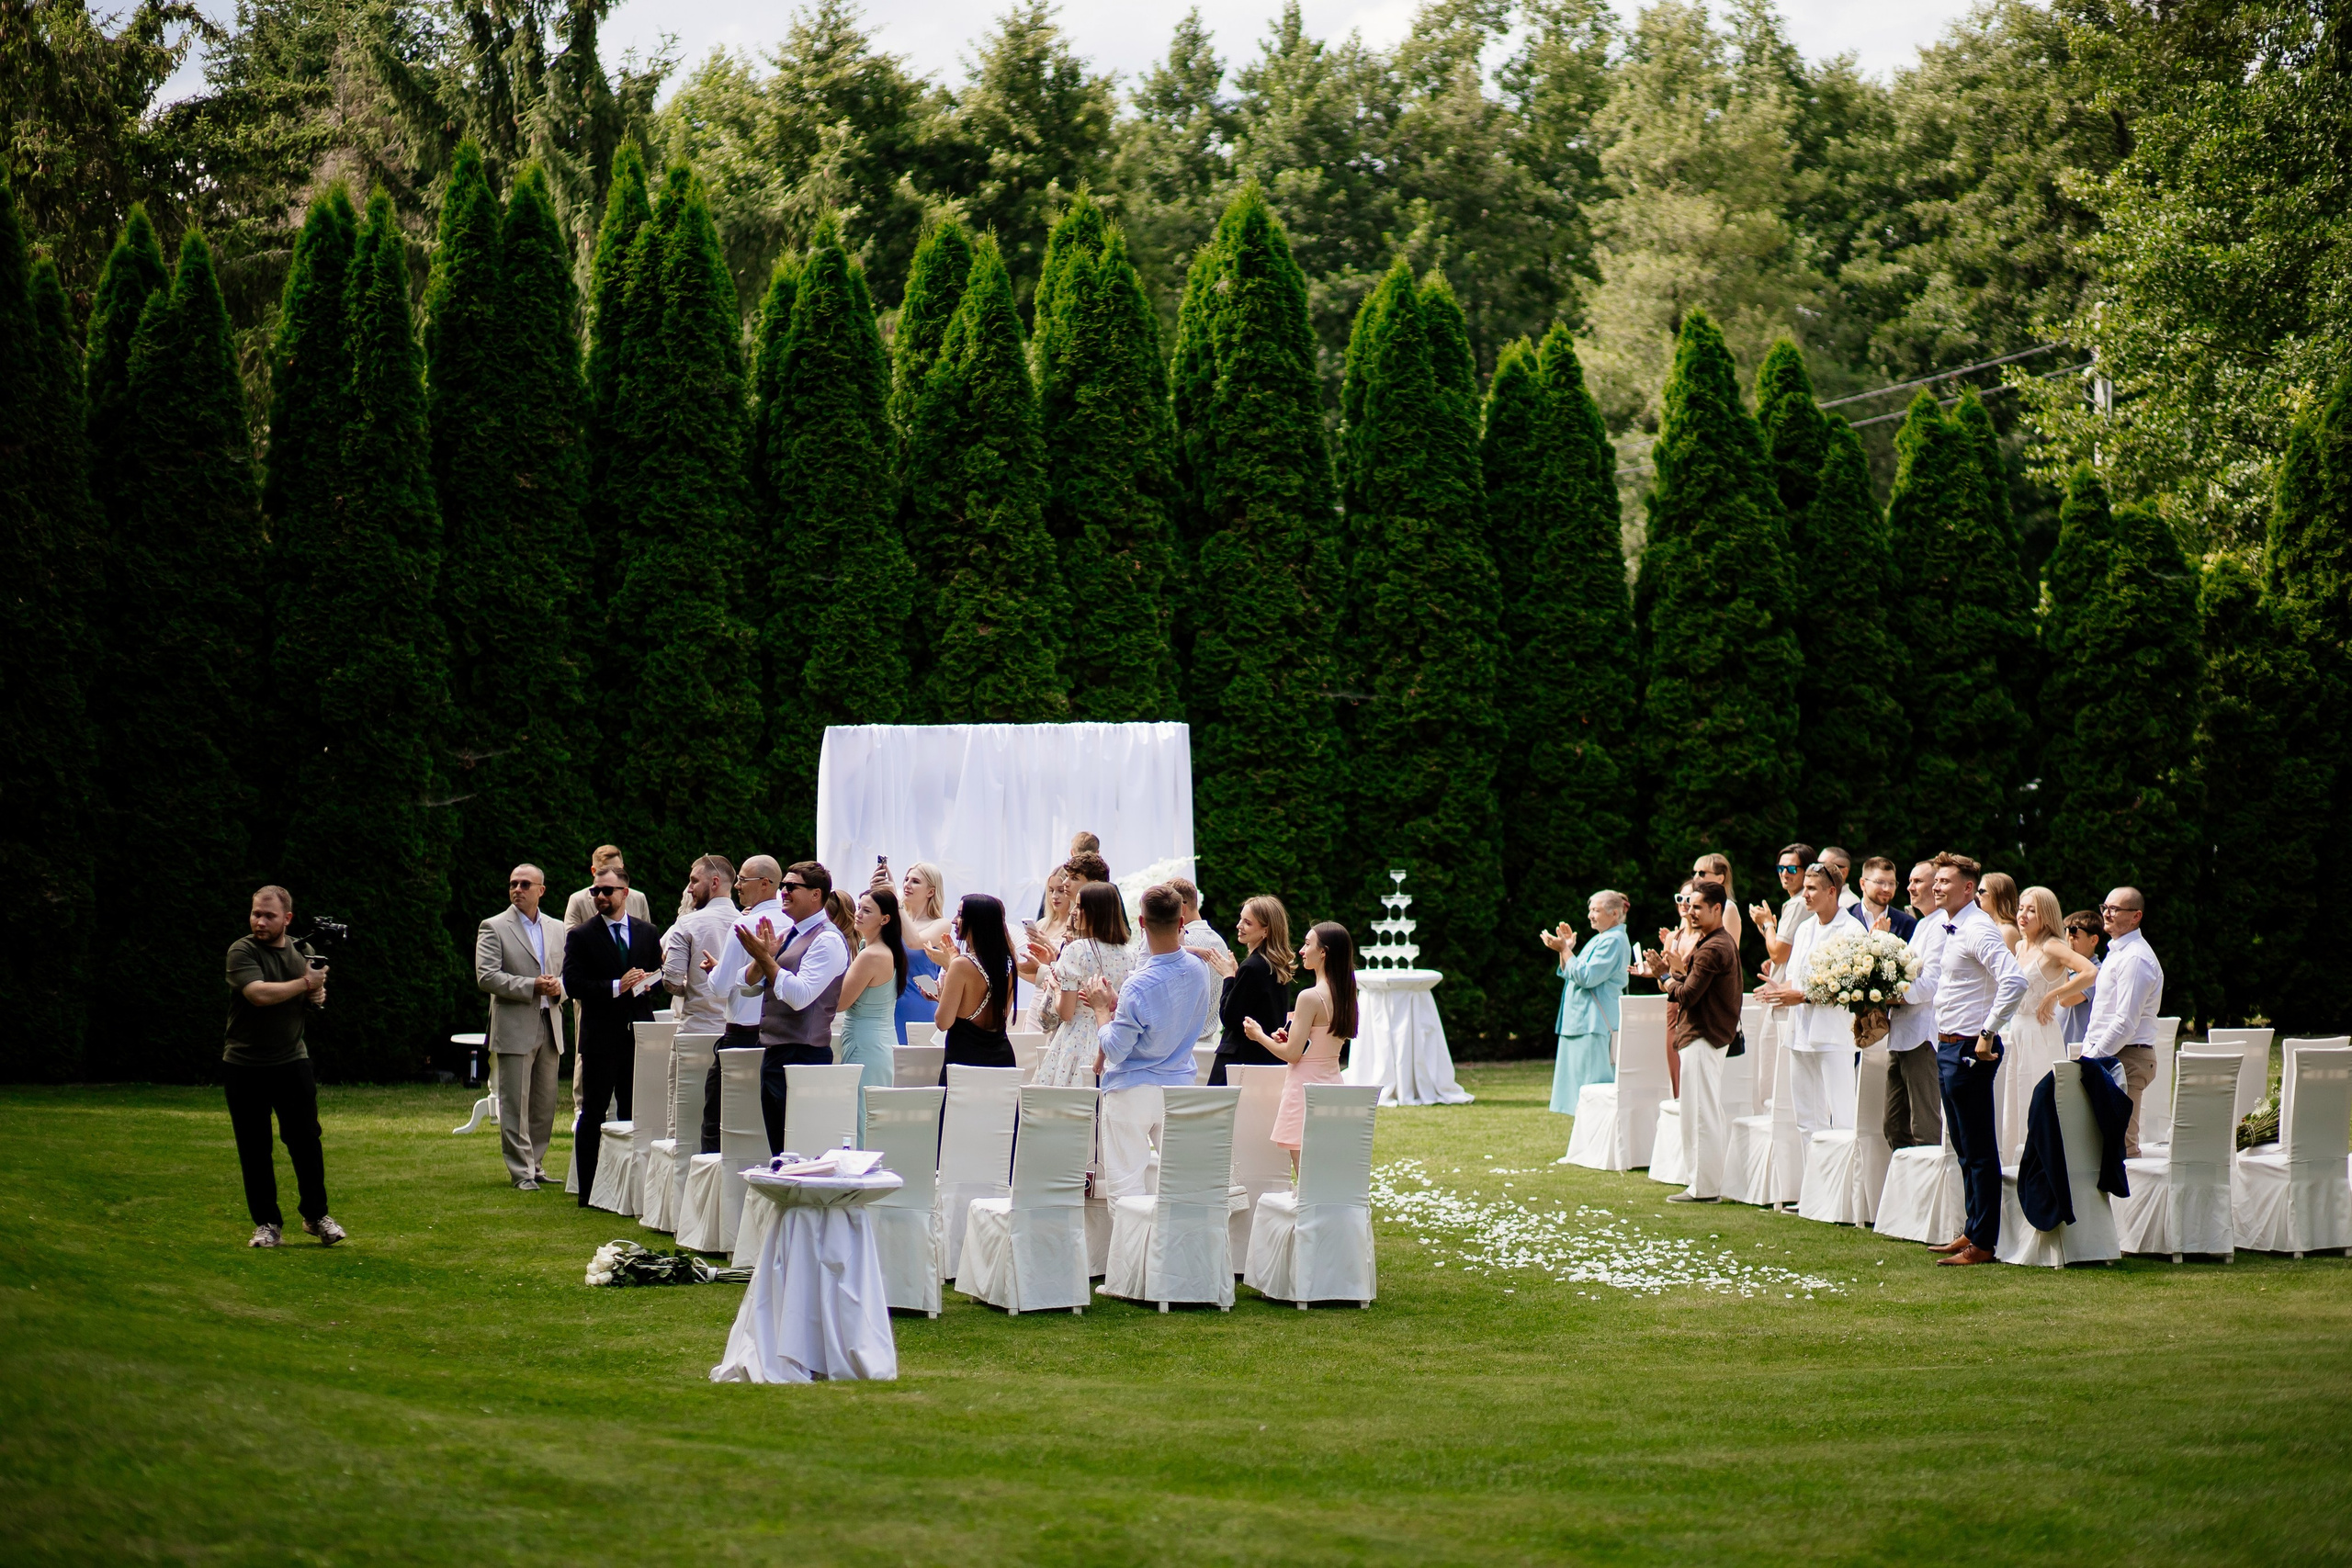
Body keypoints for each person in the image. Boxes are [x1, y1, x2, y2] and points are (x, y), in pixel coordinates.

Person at [222, 886, 345, 1247]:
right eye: (255, 913)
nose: (260, 921)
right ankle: (267, 1224)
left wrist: (316, 996)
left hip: (292, 1061)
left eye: (269, 915)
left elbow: (307, 1000)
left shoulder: (302, 952)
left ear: (287, 919)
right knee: (254, 1146)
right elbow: (258, 994)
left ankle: (316, 1215)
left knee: (306, 1141)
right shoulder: (241, 950)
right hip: (244, 1065)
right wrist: (307, 983)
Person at [1082, 885, 1218, 1198]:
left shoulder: (1138, 985)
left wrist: (1103, 1011)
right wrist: (1120, 1006)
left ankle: (1130, 1249)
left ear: (1142, 923)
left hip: (1133, 1089)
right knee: (1176, 1189)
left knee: (1125, 1191)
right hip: (1179, 1086)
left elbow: (1116, 1049)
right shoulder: (1198, 970)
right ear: (1182, 919)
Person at [1927, 852, 2028, 1266]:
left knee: (1980, 1148)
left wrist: (1988, 1033)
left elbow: (2015, 979)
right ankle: (1972, 1229)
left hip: (1971, 1049)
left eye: (1945, 881)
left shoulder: (1978, 929)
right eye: (1936, 880)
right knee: (1964, 1146)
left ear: (1969, 888)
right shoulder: (1952, 927)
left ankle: (1983, 1244)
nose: (1936, 887)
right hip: (1949, 1046)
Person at [559, 864, 662, 1204]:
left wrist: (646, 984)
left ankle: (633, 1193)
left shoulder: (647, 932)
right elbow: (573, 984)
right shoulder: (582, 935)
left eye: (607, 891)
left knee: (636, 1114)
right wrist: (618, 985)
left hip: (638, 1038)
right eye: (595, 892)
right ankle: (587, 1192)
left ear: (625, 893)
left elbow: (655, 981)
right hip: (601, 1038)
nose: (600, 897)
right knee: (594, 1112)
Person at [733, 861, 850, 1155]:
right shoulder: (789, 935)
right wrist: (763, 959)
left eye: (791, 887)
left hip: (804, 1055)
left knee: (800, 1150)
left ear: (816, 894)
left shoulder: (827, 940)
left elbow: (800, 996)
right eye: (782, 885)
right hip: (776, 1052)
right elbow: (745, 987)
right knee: (779, 1148)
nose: (783, 891)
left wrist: (767, 959)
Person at [1635, 880, 1742, 1201]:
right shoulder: (1717, 942)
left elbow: (1687, 995)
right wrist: (1667, 973)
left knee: (1700, 1114)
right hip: (1707, 1036)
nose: (1691, 912)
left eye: (1698, 907)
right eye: (1689, 905)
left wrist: (1665, 976)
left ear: (1717, 909)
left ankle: (1705, 1188)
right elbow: (1693, 987)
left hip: (1704, 1036)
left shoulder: (1713, 948)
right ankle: (1701, 1183)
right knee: (1700, 1111)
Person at [474, 863, 570, 1190]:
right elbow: (486, 976)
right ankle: (521, 1172)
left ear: (540, 890)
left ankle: (536, 1164)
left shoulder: (557, 927)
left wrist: (560, 988)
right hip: (514, 1024)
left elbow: (566, 972)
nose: (518, 889)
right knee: (514, 1103)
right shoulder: (493, 926)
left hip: (550, 1021)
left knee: (544, 1103)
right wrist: (532, 985)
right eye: (513, 883)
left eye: (525, 884)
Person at [2000, 884, 2101, 1164]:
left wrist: (2055, 995)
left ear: (2045, 914)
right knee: (2014, 1107)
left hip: (2040, 1034)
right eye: (2021, 908)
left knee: (2036, 1102)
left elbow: (2090, 971)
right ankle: (2015, 1168)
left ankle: (2042, 1168)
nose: (2023, 915)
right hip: (2017, 1033)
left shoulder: (2053, 945)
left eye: (2032, 910)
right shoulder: (2020, 946)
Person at [1758, 863, 1859, 1145]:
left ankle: (1844, 1189)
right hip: (1799, 1033)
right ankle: (1814, 1188)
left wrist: (1800, 996)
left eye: (1811, 888)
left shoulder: (1851, 930)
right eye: (1804, 888)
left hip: (1833, 1035)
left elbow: (1849, 987)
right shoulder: (1804, 928)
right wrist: (1777, 991)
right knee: (1807, 1120)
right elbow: (1795, 979)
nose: (1805, 894)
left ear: (1831, 891)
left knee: (1842, 1119)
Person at [1242, 919, 1356, 1168]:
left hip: (1303, 1089)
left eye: (1307, 944)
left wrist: (1259, 1035)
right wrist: (1291, 1037)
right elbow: (1316, 1043)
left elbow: (1292, 1055)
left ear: (1323, 952)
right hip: (1332, 1085)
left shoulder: (1310, 996)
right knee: (1327, 1168)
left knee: (1306, 1175)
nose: (1302, 951)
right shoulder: (1346, 995)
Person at [2078, 886, 2165, 1156]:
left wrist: (2091, 1058)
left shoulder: (2135, 958)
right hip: (2112, 1055)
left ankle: (2128, 1199)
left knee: (2121, 1148)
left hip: (2125, 1058)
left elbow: (2125, 1022)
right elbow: (2102, 1015)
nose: (2106, 913)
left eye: (2115, 909)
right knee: (2100, 1144)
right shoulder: (2118, 951)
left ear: (2136, 916)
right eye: (2105, 907)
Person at [1035, 884, 1138, 1086]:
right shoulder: (1129, 954)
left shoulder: (1077, 950)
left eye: (1080, 907)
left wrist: (1056, 990)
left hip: (1076, 1041)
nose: (1073, 912)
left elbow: (1066, 1012)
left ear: (1095, 912)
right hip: (1115, 1039)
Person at [1540, 891, 1633, 1113]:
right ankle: (1581, 1147)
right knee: (1579, 1096)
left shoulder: (1614, 941)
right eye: (1590, 910)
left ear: (1615, 913)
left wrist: (1564, 950)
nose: (1590, 915)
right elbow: (1572, 972)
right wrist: (1567, 950)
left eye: (1596, 910)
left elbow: (1586, 977)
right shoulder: (1602, 938)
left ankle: (1594, 1147)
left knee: (1594, 1095)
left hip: (1594, 1024)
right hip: (1580, 1023)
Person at [1879, 861, 1944, 1148]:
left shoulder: (1942, 926)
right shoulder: (1921, 925)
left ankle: (1929, 1192)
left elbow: (1930, 985)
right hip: (1901, 1032)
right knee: (1894, 1126)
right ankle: (1905, 1189)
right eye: (1910, 881)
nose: (1909, 887)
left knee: (1924, 1125)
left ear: (1936, 886)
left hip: (1922, 1035)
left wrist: (1890, 996)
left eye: (1917, 881)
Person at [834, 888, 908, 1125]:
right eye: (858, 907)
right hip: (883, 1041)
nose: (858, 914)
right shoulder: (886, 950)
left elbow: (840, 1003)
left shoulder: (873, 954)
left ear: (885, 919)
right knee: (872, 1117)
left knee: (860, 1117)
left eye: (867, 911)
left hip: (865, 1043)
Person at [1210, 896, 1295, 1085]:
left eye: (1247, 922)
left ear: (1266, 930)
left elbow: (1230, 1018)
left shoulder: (1253, 967)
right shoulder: (1278, 966)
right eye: (1241, 919)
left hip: (1241, 1062)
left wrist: (1228, 977)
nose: (1239, 925)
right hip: (1268, 1060)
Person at [934, 893, 1020, 1076]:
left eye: (960, 915)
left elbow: (943, 1022)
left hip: (965, 1062)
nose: (953, 920)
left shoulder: (960, 965)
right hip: (1002, 1059)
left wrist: (943, 993)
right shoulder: (1010, 963)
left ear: (977, 921)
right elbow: (1000, 1014)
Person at [661, 854, 738, 1037]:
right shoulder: (748, 923)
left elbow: (672, 981)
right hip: (738, 1032)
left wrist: (697, 986)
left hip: (696, 1029)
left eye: (694, 881)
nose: (689, 889)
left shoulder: (687, 923)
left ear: (714, 882)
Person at [872, 859, 949, 1043]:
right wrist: (879, 896)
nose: (907, 885)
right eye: (906, 879)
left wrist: (897, 903)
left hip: (919, 1003)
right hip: (887, 1004)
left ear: (931, 891)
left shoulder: (940, 924)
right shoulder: (894, 919)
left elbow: (915, 941)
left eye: (915, 881)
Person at [1170, 877, 1234, 1049]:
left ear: (1181, 908)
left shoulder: (1182, 941)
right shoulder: (1220, 942)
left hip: (1180, 1047)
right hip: (1208, 1045)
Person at [1749, 843, 1815, 979]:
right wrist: (1768, 930)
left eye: (1792, 869)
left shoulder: (1798, 904)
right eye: (1780, 868)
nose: (1784, 874)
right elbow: (1789, 949)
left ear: (1807, 871)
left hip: (1789, 992)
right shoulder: (1809, 901)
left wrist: (1767, 924)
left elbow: (1778, 955)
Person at [563, 844, 650, 928]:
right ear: (594, 871)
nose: (612, 876)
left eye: (617, 870)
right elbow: (571, 939)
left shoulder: (639, 899)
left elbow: (646, 938)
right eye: (604, 871)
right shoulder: (578, 901)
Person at [2058, 910, 2103, 1047]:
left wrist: (2063, 956)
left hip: (2077, 1051)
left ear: (2093, 940)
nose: (2068, 940)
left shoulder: (2097, 973)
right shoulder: (2064, 970)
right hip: (2053, 1049)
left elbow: (2066, 999)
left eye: (2074, 934)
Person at [1690, 853, 1745, 952]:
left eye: (1702, 873)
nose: (1696, 878)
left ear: (1720, 878)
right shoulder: (1691, 907)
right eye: (1694, 873)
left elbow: (1729, 952)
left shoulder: (1728, 908)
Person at [1853, 856, 1917, 940]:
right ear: (1863, 884)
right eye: (1879, 882)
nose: (1887, 889)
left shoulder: (1907, 924)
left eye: (1891, 883)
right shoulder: (1846, 917)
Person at [1977, 871, 2024, 955]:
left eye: (1981, 891)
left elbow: (2007, 967)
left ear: (1997, 894)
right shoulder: (1989, 925)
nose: (1978, 895)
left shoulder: (2008, 931)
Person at [1819, 847, 1862, 913]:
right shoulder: (1814, 897)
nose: (1816, 870)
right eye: (1816, 865)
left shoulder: (1850, 903)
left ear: (1844, 872)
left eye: (1823, 866)